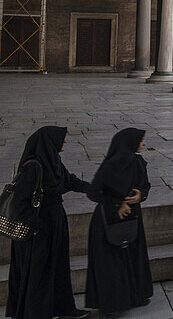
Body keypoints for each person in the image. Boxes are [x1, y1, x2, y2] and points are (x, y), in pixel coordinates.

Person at [6, 126, 91, 319]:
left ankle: (63, 309)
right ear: (50, 142)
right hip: (38, 229)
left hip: (55, 222)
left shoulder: (53, 161)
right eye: (62, 139)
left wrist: (93, 189)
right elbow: (19, 203)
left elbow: (69, 181)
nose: (65, 142)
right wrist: (35, 226)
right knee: (38, 273)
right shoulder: (33, 166)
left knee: (58, 267)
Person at [85, 128, 153, 315]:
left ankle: (134, 295)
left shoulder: (138, 162)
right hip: (109, 219)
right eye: (140, 141)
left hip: (132, 217)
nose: (143, 144)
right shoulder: (111, 166)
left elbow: (144, 186)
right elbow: (93, 193)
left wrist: (141, 195)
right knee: (111, 262)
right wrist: (118, 203)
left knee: (132, 257)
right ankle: (114, 304)